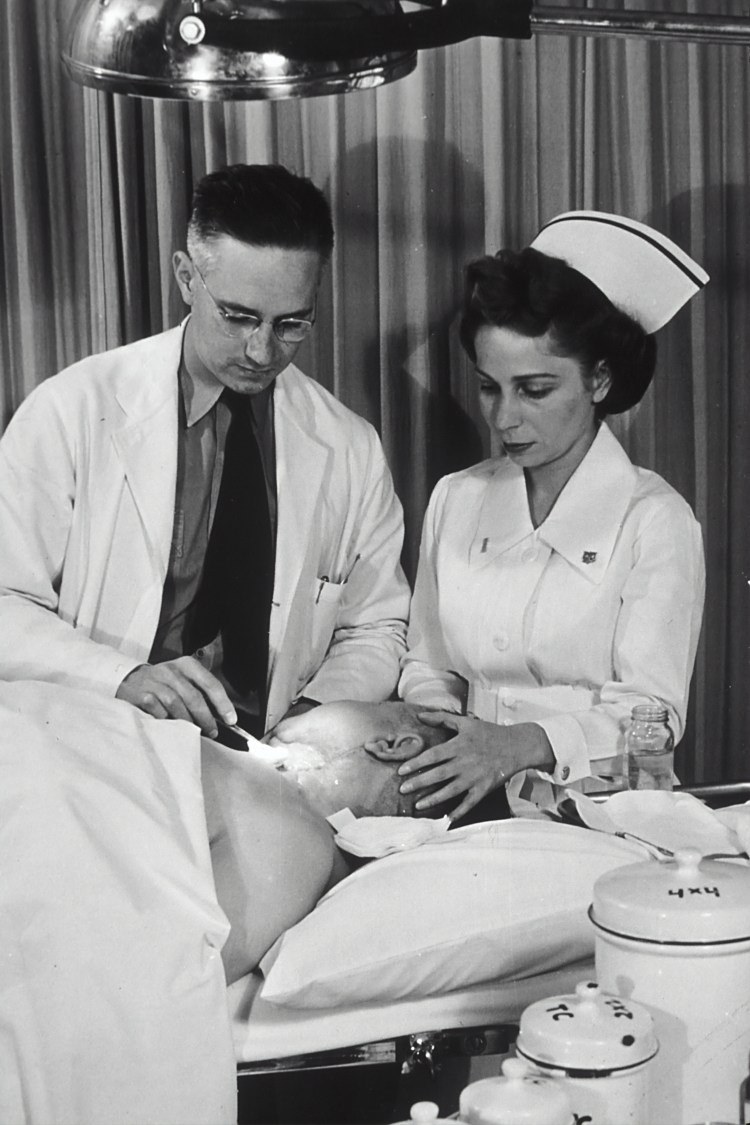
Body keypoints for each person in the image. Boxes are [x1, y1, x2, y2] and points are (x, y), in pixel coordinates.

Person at [0, 163, 409, 739]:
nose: (262, 351)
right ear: (186, 277)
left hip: (267, 756)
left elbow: (376, 626)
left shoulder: (350, 445)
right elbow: (5, 603)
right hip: (97, 731)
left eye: (292, 324)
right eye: (238, 317)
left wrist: (313, 717)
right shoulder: (70, 410)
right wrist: (119, 676)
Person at [390, 211, 708, 821]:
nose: (503, 418)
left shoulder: (655, 519)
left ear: (600, 379)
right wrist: (450, 733)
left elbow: (653, 716)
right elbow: (427, 665)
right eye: (489, 387)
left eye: (534, 390)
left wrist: (518, 746)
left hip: (603, 814)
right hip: (461, 804)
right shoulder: (456, 498)